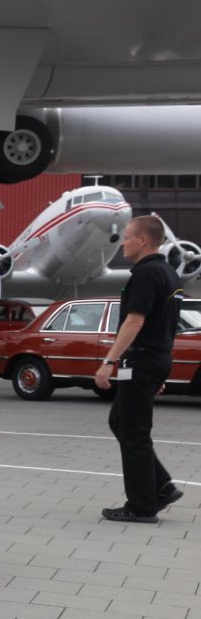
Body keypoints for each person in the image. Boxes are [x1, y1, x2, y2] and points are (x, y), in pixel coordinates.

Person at [96, 215, 187, 523]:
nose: (122, 242)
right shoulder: (168, 273)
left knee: (133, 432)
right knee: (121, 422)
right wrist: (157, 368)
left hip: (143, 360)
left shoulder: (146, 274)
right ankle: (160, 486)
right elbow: (168, 325)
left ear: (143, 240)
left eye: (127, 237)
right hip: (154, 359)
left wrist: (108, 362)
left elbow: (135, 321)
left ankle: (142, 506)